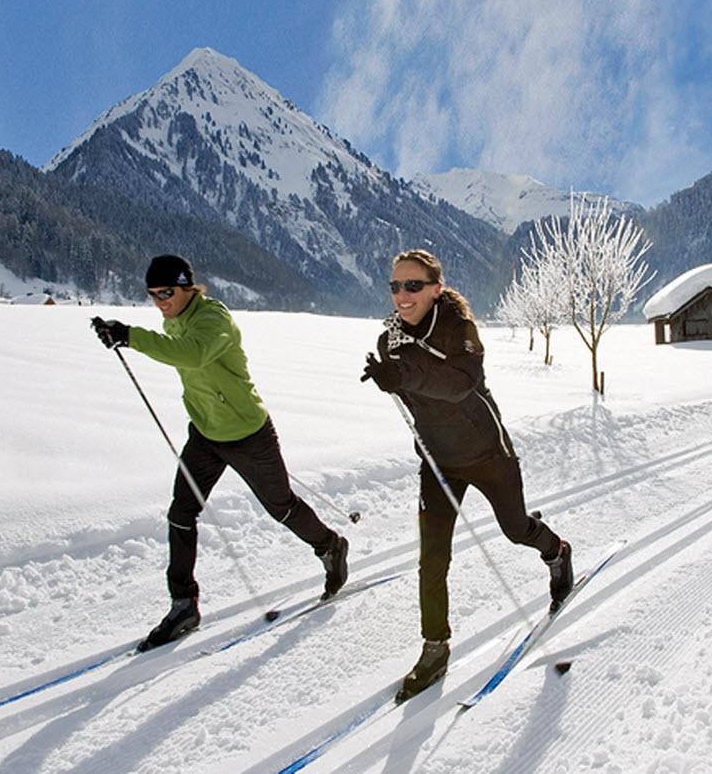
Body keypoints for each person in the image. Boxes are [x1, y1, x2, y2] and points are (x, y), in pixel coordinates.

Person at [91, 254, 348, 651]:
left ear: (187, 288)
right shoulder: (173, 319)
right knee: (181, 514)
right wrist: (120, 334)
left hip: (248, 433)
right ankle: (183, 606)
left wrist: (130, 335)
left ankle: (330, 545)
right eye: (152, 295)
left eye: (167, 292)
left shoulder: (214, 319)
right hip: (206, 435)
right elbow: (179, 354)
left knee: (281, 507)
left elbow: (192, 354)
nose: (160, 301)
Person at [361, 248, 573, 702]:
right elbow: (412, 393)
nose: (402, 294)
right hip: (438, 463)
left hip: (485, 453)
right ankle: (435, 648)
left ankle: (556, 550)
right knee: (432, 558)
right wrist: (391, 378)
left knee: (516, 529)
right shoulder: (388, 343)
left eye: (413, 285)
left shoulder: (460, 329)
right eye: (395, 286)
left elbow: (461, 384)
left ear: (436, 289)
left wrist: (404, 377)